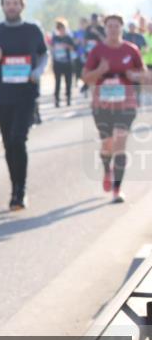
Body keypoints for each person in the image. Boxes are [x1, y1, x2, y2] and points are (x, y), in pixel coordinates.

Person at [0, 0, 48, 211]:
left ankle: (21, 191)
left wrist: (38, 71)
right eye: (8, 3)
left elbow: (44, 54)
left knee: (18, 139)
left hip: (26, 94)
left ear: (22, 6)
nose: (11, 7)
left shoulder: (32, 30)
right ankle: (14, 185)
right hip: (3, 94)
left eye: (15, 3)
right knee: (8, 144)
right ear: (3, 6)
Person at [81, 14, 149, 203]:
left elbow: (145, 75)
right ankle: (106, 170)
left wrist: (134, 76)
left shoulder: (131, 50)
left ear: (121, 28)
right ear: (105, 29)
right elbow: (85, 77)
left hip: (126, 104)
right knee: (107, 145)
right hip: (102, 105)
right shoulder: (97, 51)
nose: (113, 30)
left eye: (116, 26)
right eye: (109, 26)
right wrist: (100, 71)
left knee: (120, 144)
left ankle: (117, 190)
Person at [50, 18, 76, 107]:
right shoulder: (55, 38)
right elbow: (51, 49)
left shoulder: (68, 38)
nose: (61, 30)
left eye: (63, 28)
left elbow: (74, 48)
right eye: (59, 28)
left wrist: (67, 46)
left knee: (68, 82)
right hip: (57, 63)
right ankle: (56, 99)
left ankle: (68, 98)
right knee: (57, 82)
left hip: (67, 63)